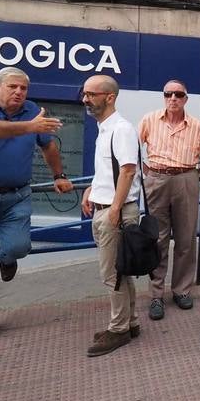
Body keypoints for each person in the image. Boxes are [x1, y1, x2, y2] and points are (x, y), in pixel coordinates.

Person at [0, 67, 70, 346]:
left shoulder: (32, 109)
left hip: (16, 196)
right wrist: (30, 126)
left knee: (19, 245)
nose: (19, 92)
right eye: (13, 87)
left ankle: (8, 258)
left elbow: (49, 146)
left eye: (23, 88)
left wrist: (59, 175)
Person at [138, 80, 200, 321]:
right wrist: (146, 168)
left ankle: (182, 290)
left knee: (186, 238)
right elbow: (133, 147)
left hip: (186, 178)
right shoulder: (149, 120)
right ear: (164, 97)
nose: (173, 98)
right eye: (168, 94)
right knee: (157, 238)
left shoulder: (197, 126)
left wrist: (198, 172)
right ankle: (156, 294)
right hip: (157, 178)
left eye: (178, 94)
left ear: (186, 99)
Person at [80, 74, 144, 358]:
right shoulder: (104, 128)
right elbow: (111, 170)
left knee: (112, 274)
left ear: (109, 97)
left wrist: (115, 209)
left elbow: (128, 170)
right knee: (121, 270)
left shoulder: (122, 129)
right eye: (84, 93)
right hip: (106, 206)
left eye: (91, 94)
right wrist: (92, 190)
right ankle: (130, 323)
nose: (85, 99)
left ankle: (118, 329)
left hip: (115, 211)